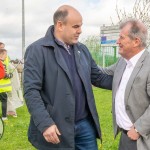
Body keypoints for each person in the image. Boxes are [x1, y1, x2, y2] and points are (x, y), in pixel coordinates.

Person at [23, 5, 112, 150]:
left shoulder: (82, 49)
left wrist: (126, 80)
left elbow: (98, 77)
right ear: (60, 25)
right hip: (55, 127)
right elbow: (31, 90)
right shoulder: (37, 50)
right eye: (75, 26)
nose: (80, 31)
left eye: (81, 26)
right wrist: (45, 123)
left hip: (85, 125)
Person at [99, 19, 150, 150]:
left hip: (142, 139)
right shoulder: (123, 62)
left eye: (121, 37)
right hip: (125, 135)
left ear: (136, 41)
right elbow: (102, 72)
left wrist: (139, 128)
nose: (117, 41)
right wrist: (82, 61)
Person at [0, 49, 13, 121]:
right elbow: (2, 74)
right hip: (2, 88)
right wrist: (8, 75)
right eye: (5, 54)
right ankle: (4, 117)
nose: (6, 56)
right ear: (1, 55)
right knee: (4, 101)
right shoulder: (1, 63)